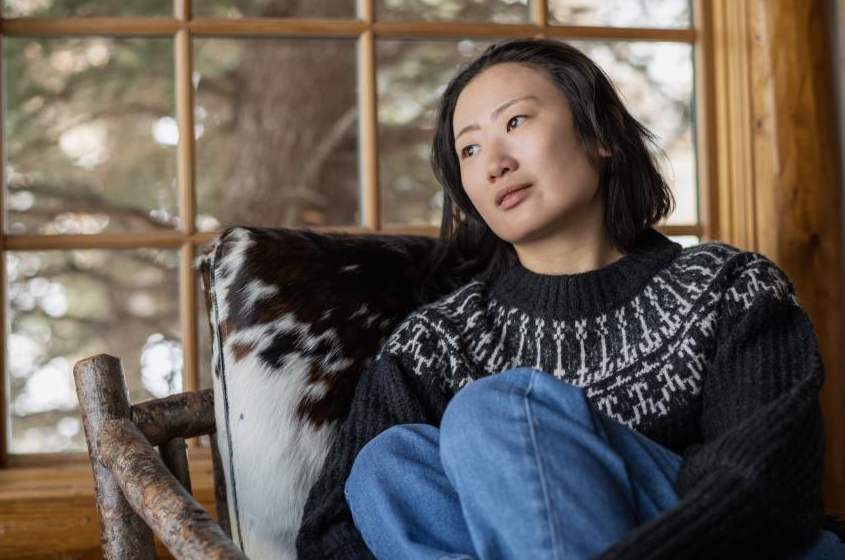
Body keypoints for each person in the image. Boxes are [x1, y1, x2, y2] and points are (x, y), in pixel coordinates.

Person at [295, 38, 845, 559]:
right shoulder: (438, 343)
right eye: (469, 148)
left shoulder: (728, 286)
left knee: (495, 410)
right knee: (388, 466)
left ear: (600, 135)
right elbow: (330, 531)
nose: (494, 162)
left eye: (515, 121)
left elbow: (765, 487)